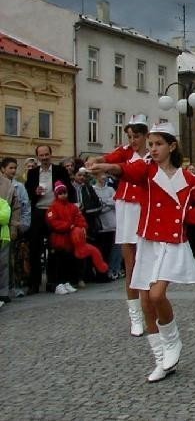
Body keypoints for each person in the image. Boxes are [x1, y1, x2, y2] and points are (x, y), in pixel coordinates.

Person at [89, 122, 195, 382]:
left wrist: (189, 217)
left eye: (158, 144)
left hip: (172, 242)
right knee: (146, 301)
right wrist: (106, 166)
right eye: (151, 145)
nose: (153, 149)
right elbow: (126, 170)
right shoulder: (146, 171)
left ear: (172, 145)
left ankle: (173, 341)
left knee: (157, 295)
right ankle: (161, 359)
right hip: (148, 242)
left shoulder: (187, 178)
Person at [87, 114, 149, 336]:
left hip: (146, 206)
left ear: (146, 135)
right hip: (126, 207)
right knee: (130, 263)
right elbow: (109, 158)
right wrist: (94, 162)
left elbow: (119, 167)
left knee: (148, 262)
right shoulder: (125, 152)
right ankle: (135, 317)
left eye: (136, 136)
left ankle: (150, 309)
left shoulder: (153, 154)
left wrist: (107, 165)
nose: (133, 140)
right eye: (130, 136)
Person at [25, 145, 75, 294]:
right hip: (39, 212)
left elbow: (69, 190)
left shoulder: (60, 171)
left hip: (55, 211)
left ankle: (54, 281)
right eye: (41, 155)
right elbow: (28, 193)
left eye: (47, 154)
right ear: (38, 157)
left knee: (56, 247)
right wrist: (35, 192)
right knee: (35, 247)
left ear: (51, 155)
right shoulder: (33, 173)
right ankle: (34, 283)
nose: (44, 158)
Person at [45, 181, 109, 293]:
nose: (63, 195)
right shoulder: (53, 208)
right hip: (59, 239)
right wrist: (69, 226)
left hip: (71, 240)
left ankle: (66, 282)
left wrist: (80, 227)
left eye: (65, 192)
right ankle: (58, 284)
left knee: (68, 262)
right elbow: (53, 223)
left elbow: (80, 219)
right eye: (60, 193)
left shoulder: (72, 207)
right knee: (58, 263)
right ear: (56, 194)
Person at [1, 158, 31, 298]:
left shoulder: (19, 186)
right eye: (10, 168)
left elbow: (23, 207)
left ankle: (11, 288)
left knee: (12, 260)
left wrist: (22, 224)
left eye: (14, 168)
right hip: (3, 224)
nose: (13, 170)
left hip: (13, 226)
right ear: (3, 169)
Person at [0, 169, 21, 305]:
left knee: (3, 263)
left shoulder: (8, 184)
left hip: (3, 230)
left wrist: (14, 226)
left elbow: (16, 208)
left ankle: (3, 293)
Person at [92, 171, 117, 281]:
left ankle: (109, 270)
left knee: (109, 250)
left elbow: (115, 202)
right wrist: (108, 204)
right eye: (101, 175)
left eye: (105, 175)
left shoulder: (110, 189)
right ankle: (100, 273)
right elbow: (98, 205)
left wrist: (105, 203)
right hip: (101, 224)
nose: (104, 177)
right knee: (101, 250)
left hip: (112, 223)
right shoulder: (93, 189)